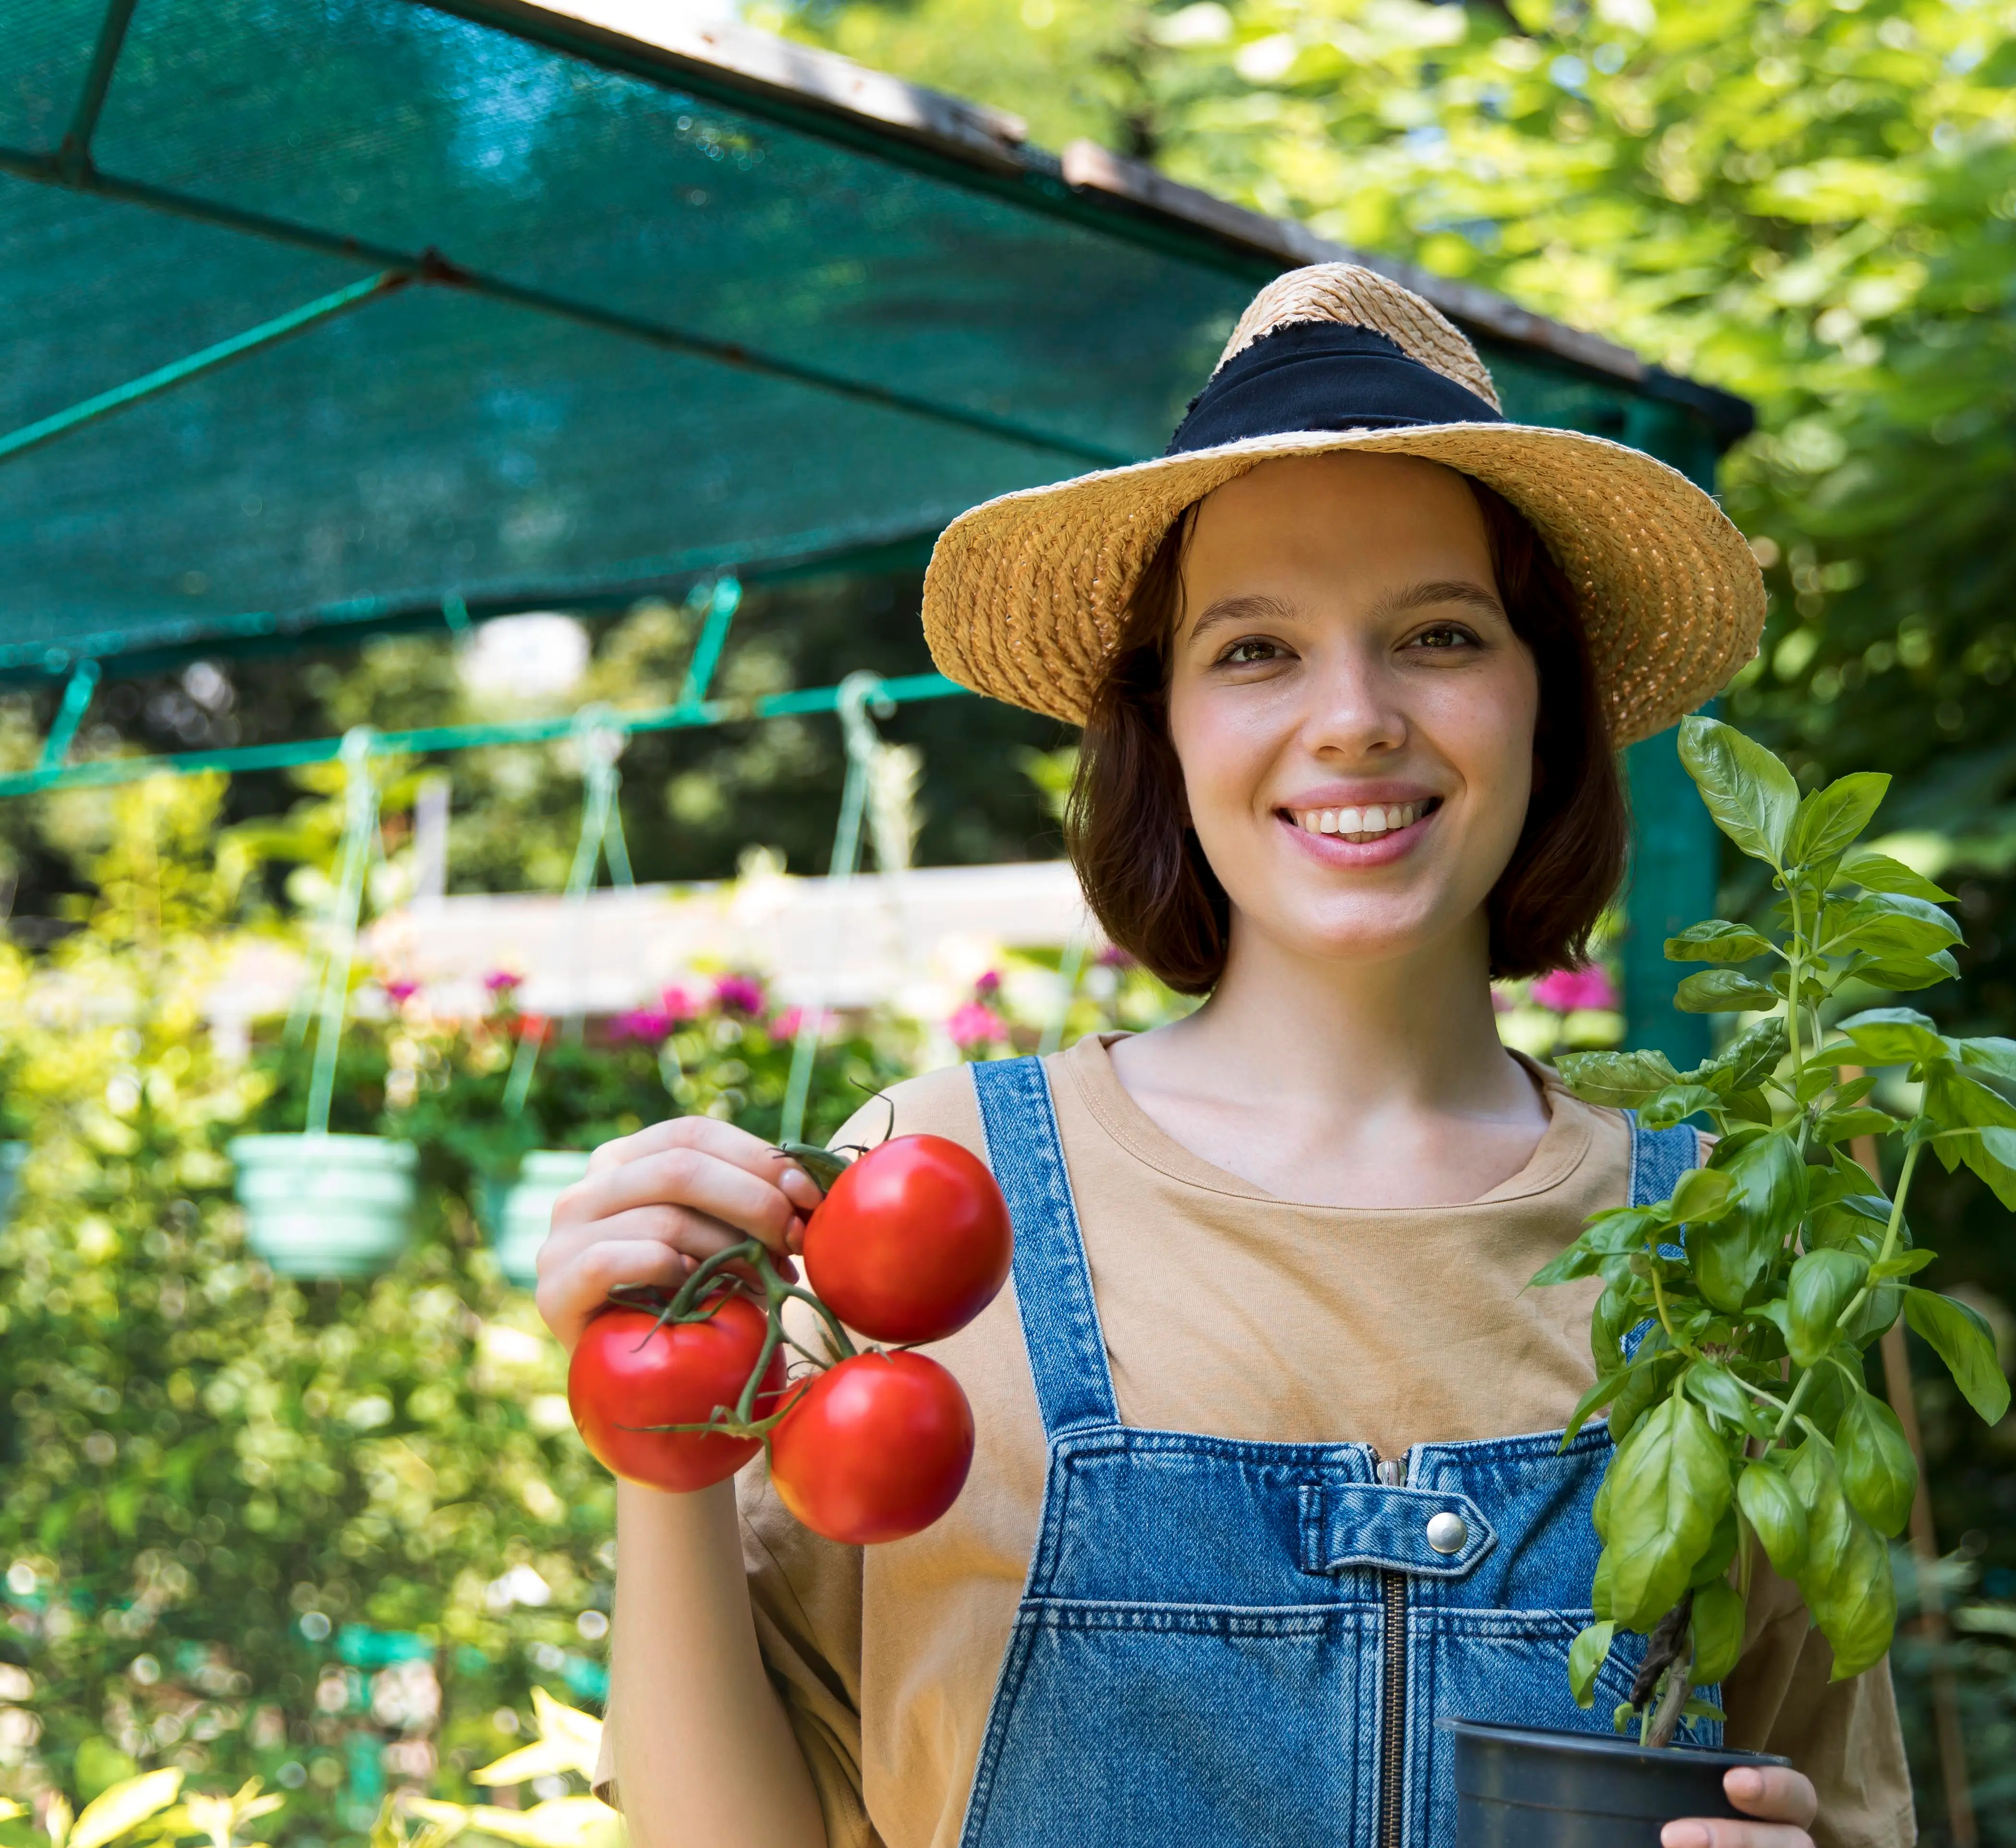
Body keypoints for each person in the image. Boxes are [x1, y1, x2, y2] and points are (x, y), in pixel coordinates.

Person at [538, 265, 1914, 1848]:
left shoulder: (1729, 1249)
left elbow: (1836, 1798)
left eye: (1441, 635)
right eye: (1255, 650)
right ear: (1163, 724)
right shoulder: (926, 1192)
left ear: (1548, 707)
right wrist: (661, 1459)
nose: (1353, 720)